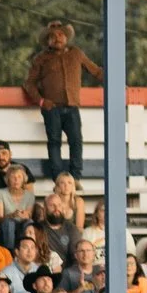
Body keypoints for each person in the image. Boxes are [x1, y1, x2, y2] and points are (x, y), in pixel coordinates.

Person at [23, 21, 102, 179]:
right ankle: (58, 179)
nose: (57, 39)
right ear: (48, 41)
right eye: (53, 36)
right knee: (54, 142)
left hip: (72, 106)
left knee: (76, 141)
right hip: (51, 108)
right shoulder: (41, 59)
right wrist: (41, 101)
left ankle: (75, 177)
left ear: (66, 38)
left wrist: (117, 82)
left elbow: (96, 71)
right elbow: (29, 83)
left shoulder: (76, 53)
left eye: (60, 35)